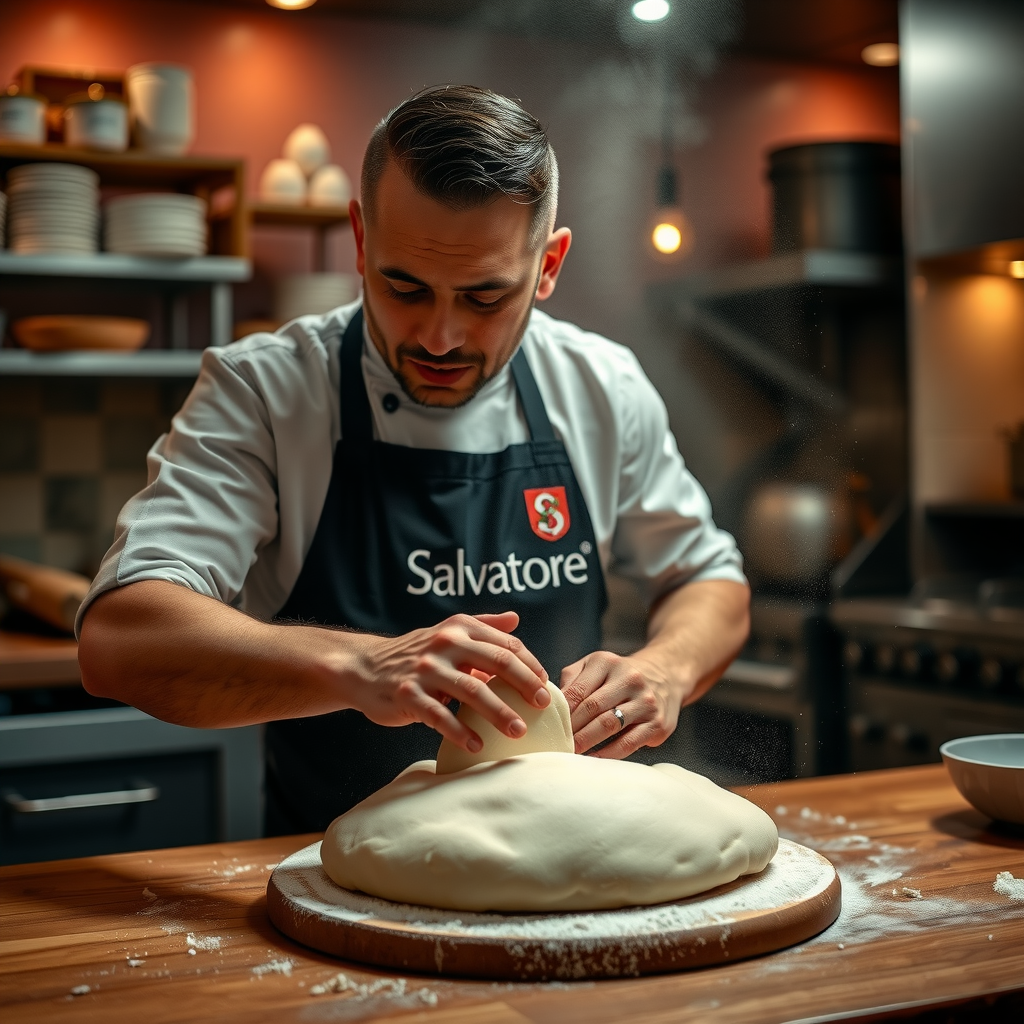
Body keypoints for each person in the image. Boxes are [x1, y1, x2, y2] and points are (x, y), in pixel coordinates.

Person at [78, 85, 749, 835]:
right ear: (361, 242)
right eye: (405, 286)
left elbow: (709, 581)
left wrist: (665, 669)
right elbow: (120, 639)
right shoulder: (265, 391)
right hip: (330, 878)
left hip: (564, 864)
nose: (439, 336)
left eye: (486, 298)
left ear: (547, 265)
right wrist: (360, 667)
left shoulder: (601, 386)